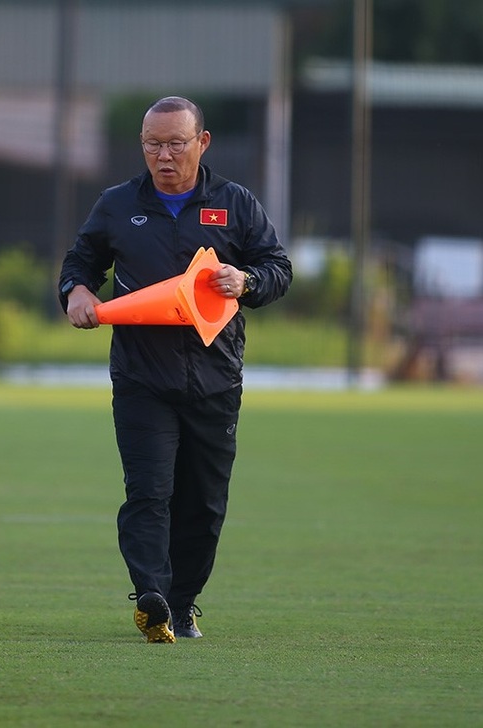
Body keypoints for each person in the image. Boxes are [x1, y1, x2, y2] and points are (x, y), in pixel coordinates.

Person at [58, 96, 292, 643]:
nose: (164, 155)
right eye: (152, 144)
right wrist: (76, 292)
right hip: (142, 381)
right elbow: (80, 263)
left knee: (204, 504)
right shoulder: (117, 205)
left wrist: (247, 281)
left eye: (176, 143)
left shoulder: (235, 204)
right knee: (149, 492)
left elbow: (278, 268)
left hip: (216, 381)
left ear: (202, 143)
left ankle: (183, 604)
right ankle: (150, 596)